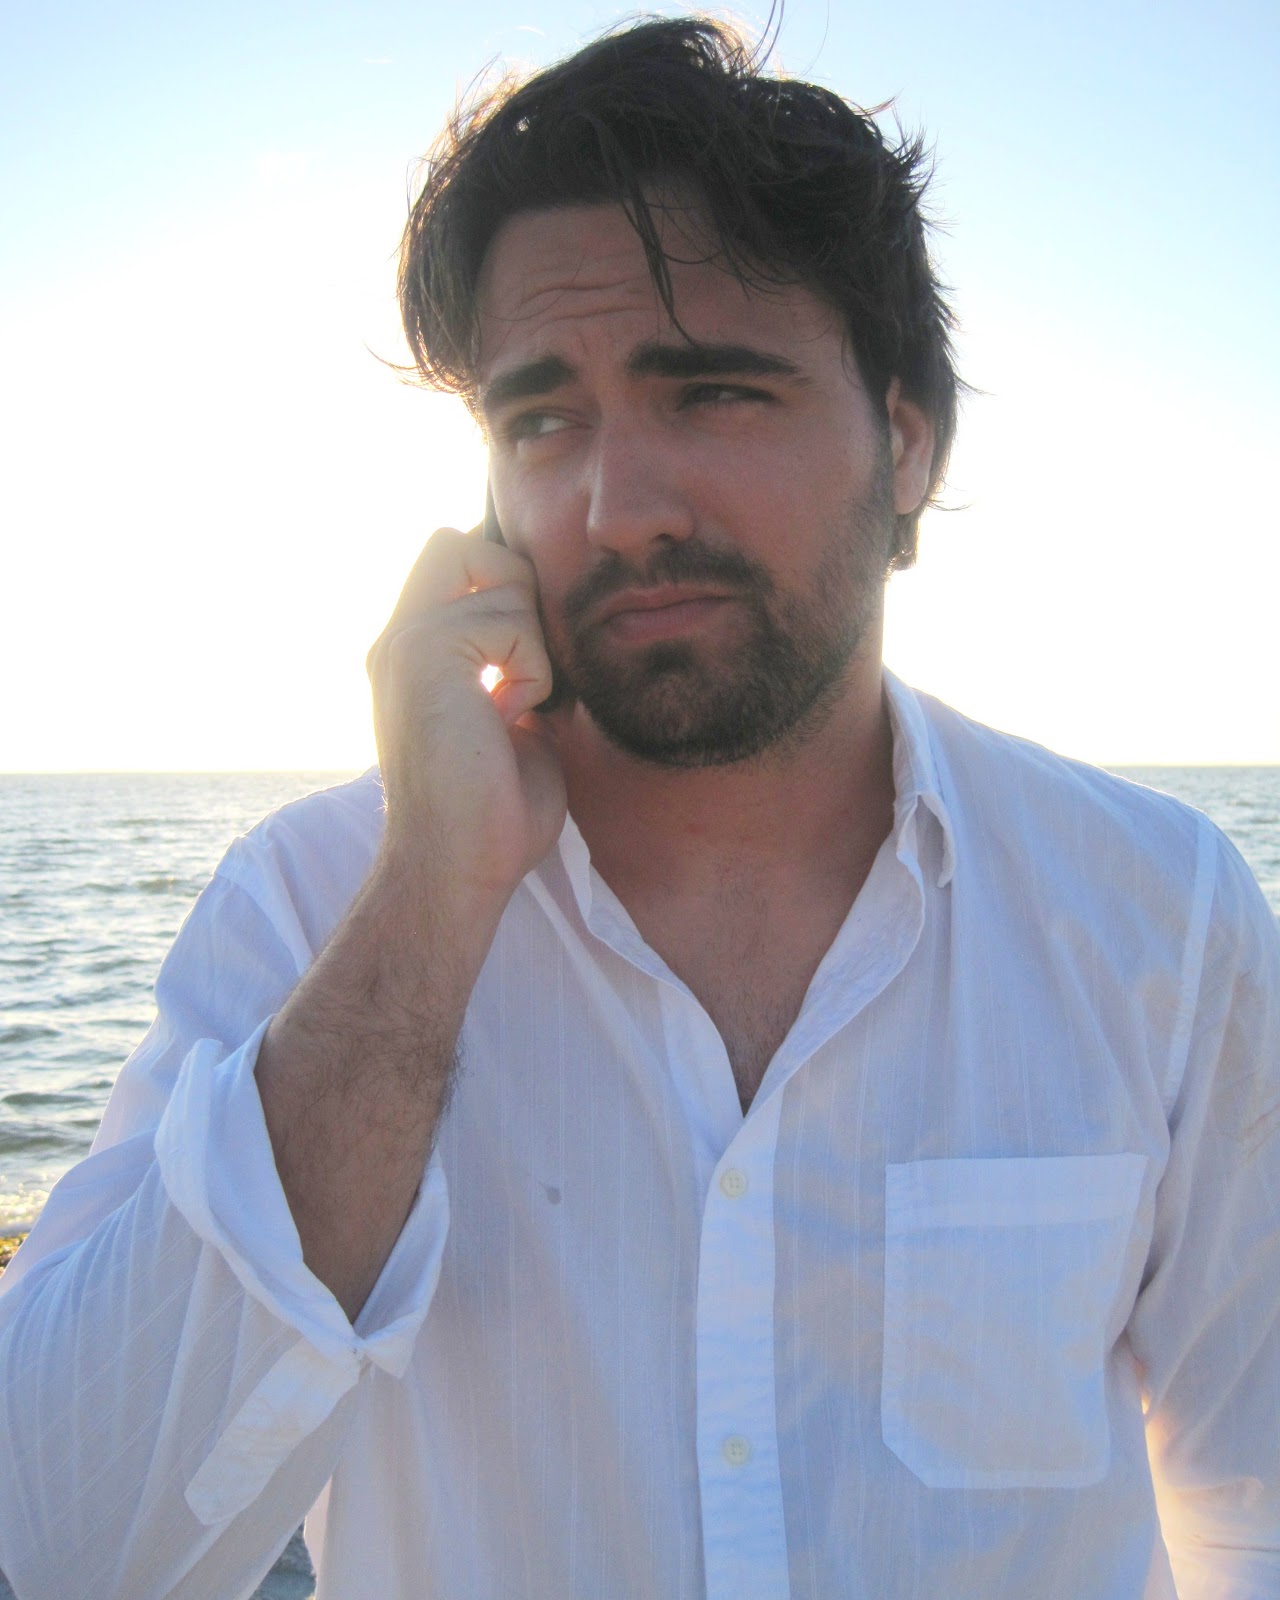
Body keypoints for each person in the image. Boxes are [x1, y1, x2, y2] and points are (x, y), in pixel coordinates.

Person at [1, 16, 1277, 1599]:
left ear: (906, 442)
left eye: (715, 393)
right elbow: (55, 1547)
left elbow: (1255, 1513)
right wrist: (431, 902)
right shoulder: (316, 904)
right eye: (542, 420)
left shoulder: (1156, 913)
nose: (618, 509)